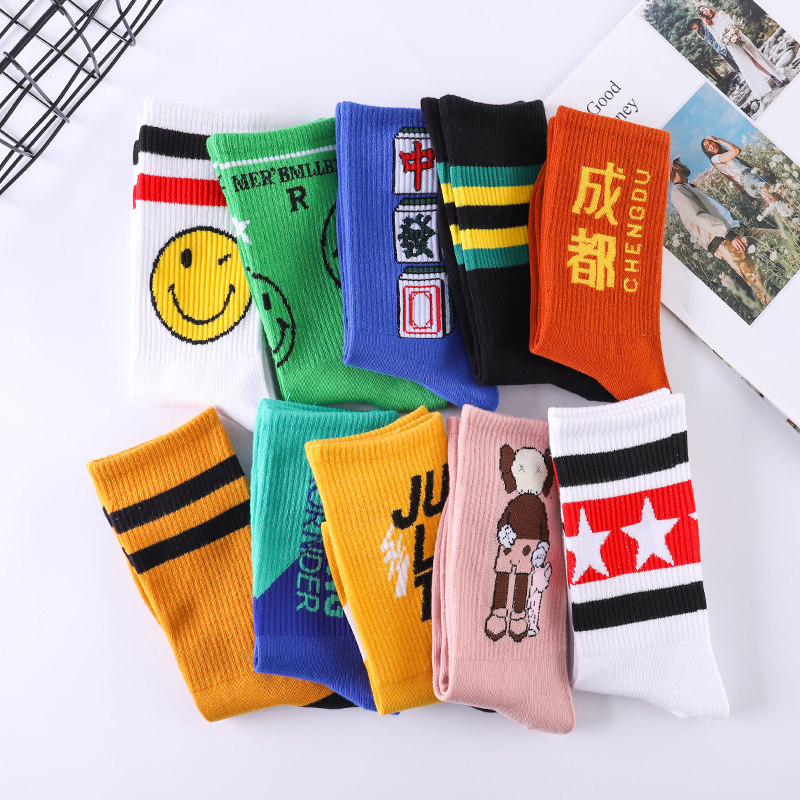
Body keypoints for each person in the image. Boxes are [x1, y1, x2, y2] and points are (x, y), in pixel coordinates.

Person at [669, 156, 771, 306]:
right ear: (675, 167)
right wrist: (727, 234)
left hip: (739, 231)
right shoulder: (678, 191)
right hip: (726, 240)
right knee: (761, 284)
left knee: (785, 237)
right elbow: (697, 216)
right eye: (680, 162)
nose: (684, 163)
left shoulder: (688, 187)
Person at [698, 5, 787, 102]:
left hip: (741, 38)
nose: (705, 10)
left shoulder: (721, 13)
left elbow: (733, 24)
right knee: (749, 63)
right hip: (732, 47)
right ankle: (774, 78)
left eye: (704, 8)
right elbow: (718, 40)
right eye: (702, 11)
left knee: (757, 56)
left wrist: (735, 34)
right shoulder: (710, 26)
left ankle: (776, 74)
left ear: (708, 8)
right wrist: (728, 39)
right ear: (703, 15)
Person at [700, 135, 790, 214]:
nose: (711, 146)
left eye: (711, 142)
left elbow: (741, 167)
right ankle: (787, 214)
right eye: (708, 147)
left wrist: (761, 175)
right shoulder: (715, 159)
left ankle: (788, 215)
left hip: (752, 177)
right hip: (747, 179)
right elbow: (736, 150)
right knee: (769, 193)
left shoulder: (724, 154)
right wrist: (718, 139)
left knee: (776, 193)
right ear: (707, 152)